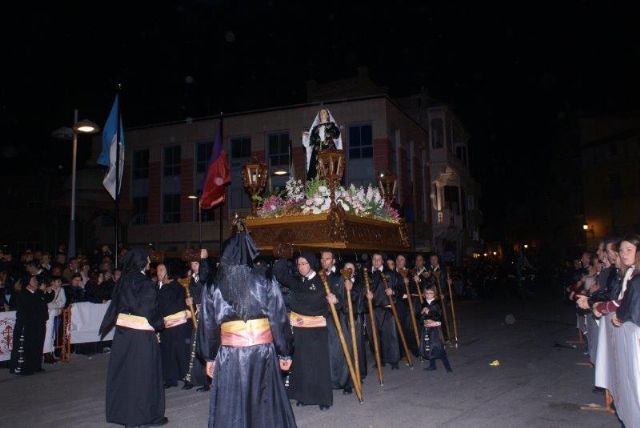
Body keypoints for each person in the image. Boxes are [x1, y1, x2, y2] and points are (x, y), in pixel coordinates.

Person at [201, 226, 296, 428]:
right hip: (262, 353)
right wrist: (285, 352)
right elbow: (278, 319)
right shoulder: (265, 279)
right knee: (263, 402)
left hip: (230, 354)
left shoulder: (213, 283)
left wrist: (209, 356)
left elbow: (208, 325)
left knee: (232, 402)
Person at [99, 248, 167, 427]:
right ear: (141, 262)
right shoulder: (145, 283)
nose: (150, 263)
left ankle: (126, 415)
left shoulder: (123, 281)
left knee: (126, 374)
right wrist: (160, 323)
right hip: (141, 336)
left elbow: (118, 306)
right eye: (147, 260)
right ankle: (144, 416)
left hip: (123, 334)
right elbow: (146, 311)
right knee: (144, 376)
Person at [273, 250, 334, 410]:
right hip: (299, 330)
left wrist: (335, 300)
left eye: (304, 263)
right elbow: (280, 274)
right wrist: (282, 255)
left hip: (316, 330)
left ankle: (323, 399)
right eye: (299, 264)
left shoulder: (323, 281)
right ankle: (303, 396)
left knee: (318, 365)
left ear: (311, 263)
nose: (301, 267)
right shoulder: (297, 281)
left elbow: (332, 303)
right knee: (301, 364)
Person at [320, 250, 352, 395]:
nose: (324, 261)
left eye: (327, 259)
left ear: (333, 261)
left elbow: (346, 299)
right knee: (326, 352)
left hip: (337, 318)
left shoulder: (340, 277)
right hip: (322, 319)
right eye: (322, 258)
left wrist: (337, 300)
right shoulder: (318, 276)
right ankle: (330, 382)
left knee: (342, 350)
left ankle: (346, 382)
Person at [9, 275, 54, 375]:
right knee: (28, 346)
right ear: (27, 283)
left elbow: (47, 298)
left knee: (38, 344)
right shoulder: (23, 294)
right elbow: (32, 303)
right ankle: (26, 368)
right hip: (29, 323)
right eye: (33, 280)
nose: (36, 282)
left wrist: (50, 291)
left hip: (40, 322)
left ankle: (36, 366)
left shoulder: (37, 292)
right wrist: (41, 292)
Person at [156, 263, 191, 389]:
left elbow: (177, 304)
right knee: (167, 352)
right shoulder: (157, 287)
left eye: (161, 270)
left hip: (179, 324)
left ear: (168, 271)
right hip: (165, 325)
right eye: (157, 270)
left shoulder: (176, 286)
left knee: (181, 352)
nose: (158, 272)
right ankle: (170, 378)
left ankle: (188, 378)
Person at [367, 253, 401, 369]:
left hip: (387, 308)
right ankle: (379, 359)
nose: (376, 261)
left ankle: (393, 360)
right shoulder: (367, 275)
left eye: (379, 259)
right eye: (374, 259)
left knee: (390, 335)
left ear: (382, 261)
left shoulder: (390, 273)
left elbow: (400, 287)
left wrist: (393, 291)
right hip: (372, 309)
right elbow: (361, 288)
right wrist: (366, 295)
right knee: (374, 336)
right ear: (372, 260)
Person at [302, 108, 342, 180]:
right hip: (317, 150)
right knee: (315, 169)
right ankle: (315, 185)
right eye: (320, 113)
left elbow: (337, 134)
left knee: (328, 169)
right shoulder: (315, 128)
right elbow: (311, 141)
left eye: (324, 112)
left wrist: (328, 134)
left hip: (328, 149)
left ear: (327, 115)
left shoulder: (331, 125)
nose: (322, 114)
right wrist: (306, 136)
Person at [420, 287, 452, 372]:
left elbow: (438, 316)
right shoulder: (424, 303)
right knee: (428, 346)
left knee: (438, 346)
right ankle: (432, 365)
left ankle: (448, 367)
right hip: (426, 328)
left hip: (435, 329)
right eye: (426, 293)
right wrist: (422, 313)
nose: (428, 295)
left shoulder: (436, 304)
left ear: (434, 294)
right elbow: (419, 317)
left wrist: (429, 312)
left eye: (430, 293)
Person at [43, 276, 66, 364]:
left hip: (54, 315)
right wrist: (55, 306)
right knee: (48, 334)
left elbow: (63, 302)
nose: (59, 283)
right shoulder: (48, 290)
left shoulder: (61, 290)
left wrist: (54, 306)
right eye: (58, 281)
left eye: (60, 281)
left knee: (52, 335)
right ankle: (46, 354)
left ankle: (50, 353)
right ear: (52, 282)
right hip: (47, 315)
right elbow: (47, 304)